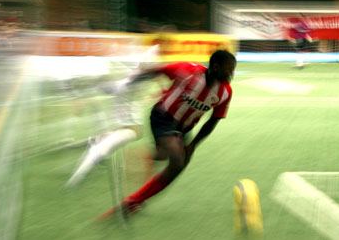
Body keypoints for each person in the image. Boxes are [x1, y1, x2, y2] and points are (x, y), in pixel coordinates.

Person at [98, 50, 236, 218]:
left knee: (175, 162)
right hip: (162, 118)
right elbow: (156, 70)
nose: (231, 74)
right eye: (229, 69)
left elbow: (212, 121)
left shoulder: (225, 93)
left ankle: (146, 169)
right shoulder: (188, 71)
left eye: (233, 69)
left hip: (183, 129)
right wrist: (125, 83)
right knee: (177, 161)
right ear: (215, 66)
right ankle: (132, 202)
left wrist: (193, 145)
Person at [66, 44, 160, 187]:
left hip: (131, 131)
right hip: (125, 129)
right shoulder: (124, 83)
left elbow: (145, 67)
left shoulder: (132, 83)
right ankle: (93, 143)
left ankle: (75, 180)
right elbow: (108, 85)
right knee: (100, 146)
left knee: (100, 149)